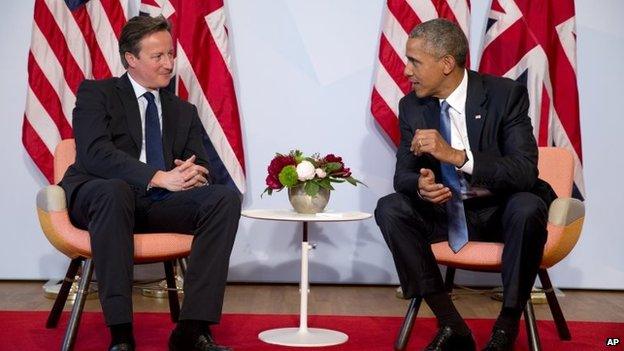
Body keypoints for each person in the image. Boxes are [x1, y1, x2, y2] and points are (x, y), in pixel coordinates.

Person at [60, 15, 241, 351]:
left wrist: (193, 173)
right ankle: (121, 334)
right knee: (114, 191)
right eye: (158, 56)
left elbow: (200, 162)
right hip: (100, 198)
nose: (169, 63)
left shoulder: (182, 110)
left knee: (223, 200)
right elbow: (94, 154)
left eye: (171, 54)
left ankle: (191, 329)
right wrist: (158, 176)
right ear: (131, 59)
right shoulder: (97, 93)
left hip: (155, 203)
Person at [375, 19, 557, 351]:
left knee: (528, 205)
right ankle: (451, 324)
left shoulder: (505, 95)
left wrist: (456, 156)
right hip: (447, 211)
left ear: (446, 63)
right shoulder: (412, 106)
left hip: (500, 211)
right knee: (390, 207)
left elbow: (523, 171)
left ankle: (506, 326)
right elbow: (402, 176)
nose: (404, 71)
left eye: (414, 61)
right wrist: (421, 185)